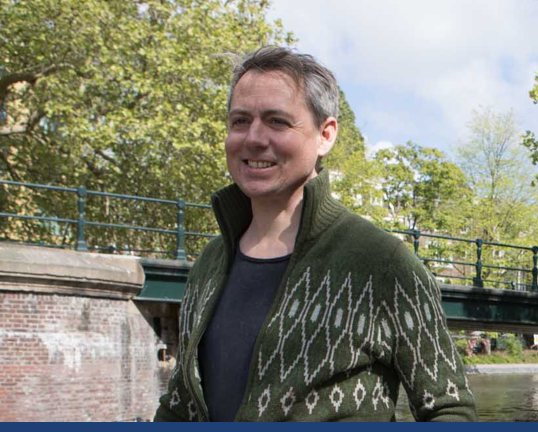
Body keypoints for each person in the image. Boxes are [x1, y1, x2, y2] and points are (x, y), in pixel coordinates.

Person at [154, 46, 476, 422]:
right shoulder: (210, 263)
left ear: (325, 135)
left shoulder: (381, 264)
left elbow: (449, 408)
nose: (254, 138)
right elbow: (179, 407)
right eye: (240, 121)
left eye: (277, 121)